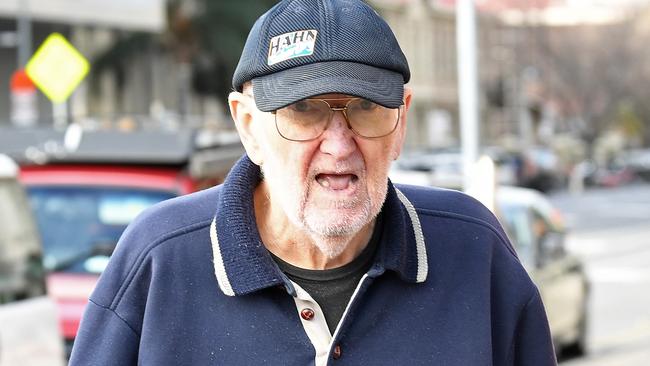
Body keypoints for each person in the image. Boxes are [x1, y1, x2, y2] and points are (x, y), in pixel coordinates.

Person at [69, 0, 557, 365]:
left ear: (402, 121)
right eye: (304, 111)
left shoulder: (475, 251)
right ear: (247, 125)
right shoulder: (159, 261)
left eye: (366, 108)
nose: (340, 146)